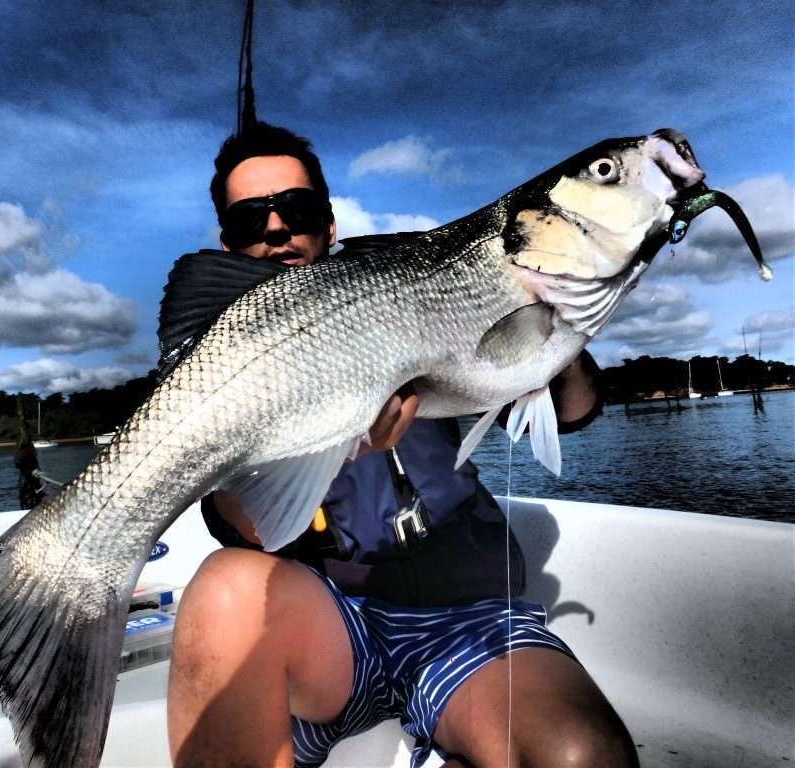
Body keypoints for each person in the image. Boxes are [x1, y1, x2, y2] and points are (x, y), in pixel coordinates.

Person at [166, 122, 638, 768]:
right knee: (224, 586)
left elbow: (574, 412)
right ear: (227, 244)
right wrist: (339, 447)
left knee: (582, 756)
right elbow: (241, 528)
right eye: (251, 220)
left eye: (297, 210)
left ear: (330, 226)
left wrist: (556, 318)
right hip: (330, 627)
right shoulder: (216, 365)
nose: (277, 229)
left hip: (464, 616)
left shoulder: (419, 290)